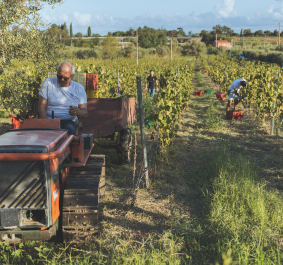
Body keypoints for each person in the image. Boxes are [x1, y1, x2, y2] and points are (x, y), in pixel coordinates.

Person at [38, 61, 88, 135]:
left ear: (72, 76)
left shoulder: (79, 88)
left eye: (65, 78)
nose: (62, 80)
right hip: (50, 120)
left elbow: (85, 113)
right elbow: (42, 107)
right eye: (59, 76)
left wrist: (78, 112)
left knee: (69, 135)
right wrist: (46, 125)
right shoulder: (48, 83)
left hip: (68, 122)